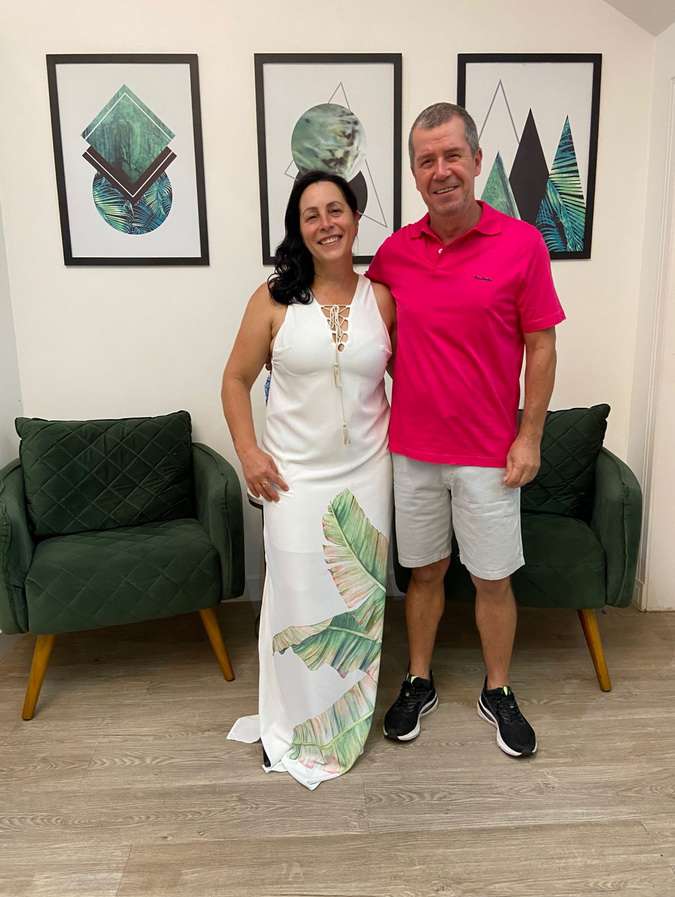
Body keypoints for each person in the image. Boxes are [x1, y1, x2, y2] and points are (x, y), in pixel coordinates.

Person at [367, 102, 565, 757]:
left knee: (491, 579)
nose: (441, 170)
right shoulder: (394, 254)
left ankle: (497, 688)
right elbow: (365, 338)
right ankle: (418, 679)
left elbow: (541, 346)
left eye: (452, 155)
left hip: (488, 454)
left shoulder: (521, 244)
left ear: (477, 161)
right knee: (423, 575)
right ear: (414, 174)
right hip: (413, 452)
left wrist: (529, 437)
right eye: (427, 160)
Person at [222, 170, 395, 790]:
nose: (326, 223)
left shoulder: (383, 300)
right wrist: (249, 452)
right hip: (293, 481)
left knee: (356, 604)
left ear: (355, 217)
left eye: (335, 209)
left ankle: (341, 728)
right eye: (311, 214)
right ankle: (294, 725)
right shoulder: (273, 299)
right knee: (296, 600)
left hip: (368, 476)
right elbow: (235, 380)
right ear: (299, 229)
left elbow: (412, 381)